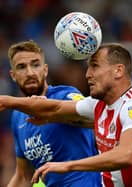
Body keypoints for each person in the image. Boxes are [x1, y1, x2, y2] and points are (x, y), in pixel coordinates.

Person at [0, 43, 132, 187]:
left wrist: (68, 166)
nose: (87, 74)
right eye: (21, 67)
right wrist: (9, 102)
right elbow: (54, 108)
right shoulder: (98, 106)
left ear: (118, 70)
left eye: (95, 66)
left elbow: (126, 155)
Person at [5, 40, 101, 187]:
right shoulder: (18, 117)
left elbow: (96, 117)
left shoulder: (66, 94)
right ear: (13, 75)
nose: (30, 72)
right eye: (21, 67)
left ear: (45, 70)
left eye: (35, 64)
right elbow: (22, 175)